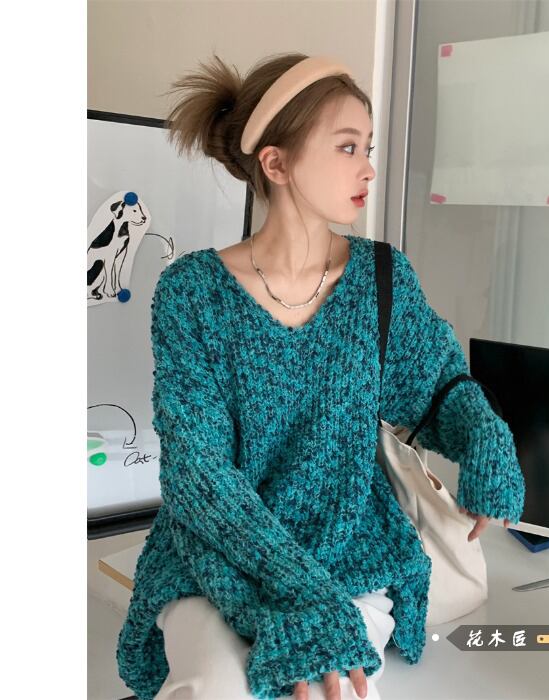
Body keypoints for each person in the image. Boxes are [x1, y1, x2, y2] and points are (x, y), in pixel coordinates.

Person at [116, 52, 525, 700]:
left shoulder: (382, 279)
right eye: (346, 146)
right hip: (216, 556)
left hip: (349, 555)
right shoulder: (193, 292)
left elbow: (438, 389)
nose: (368, 167)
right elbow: (198, 475)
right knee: (217, 689)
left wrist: (483, 437)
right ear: (276, 164)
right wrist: (303, 595)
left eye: (368, 147)